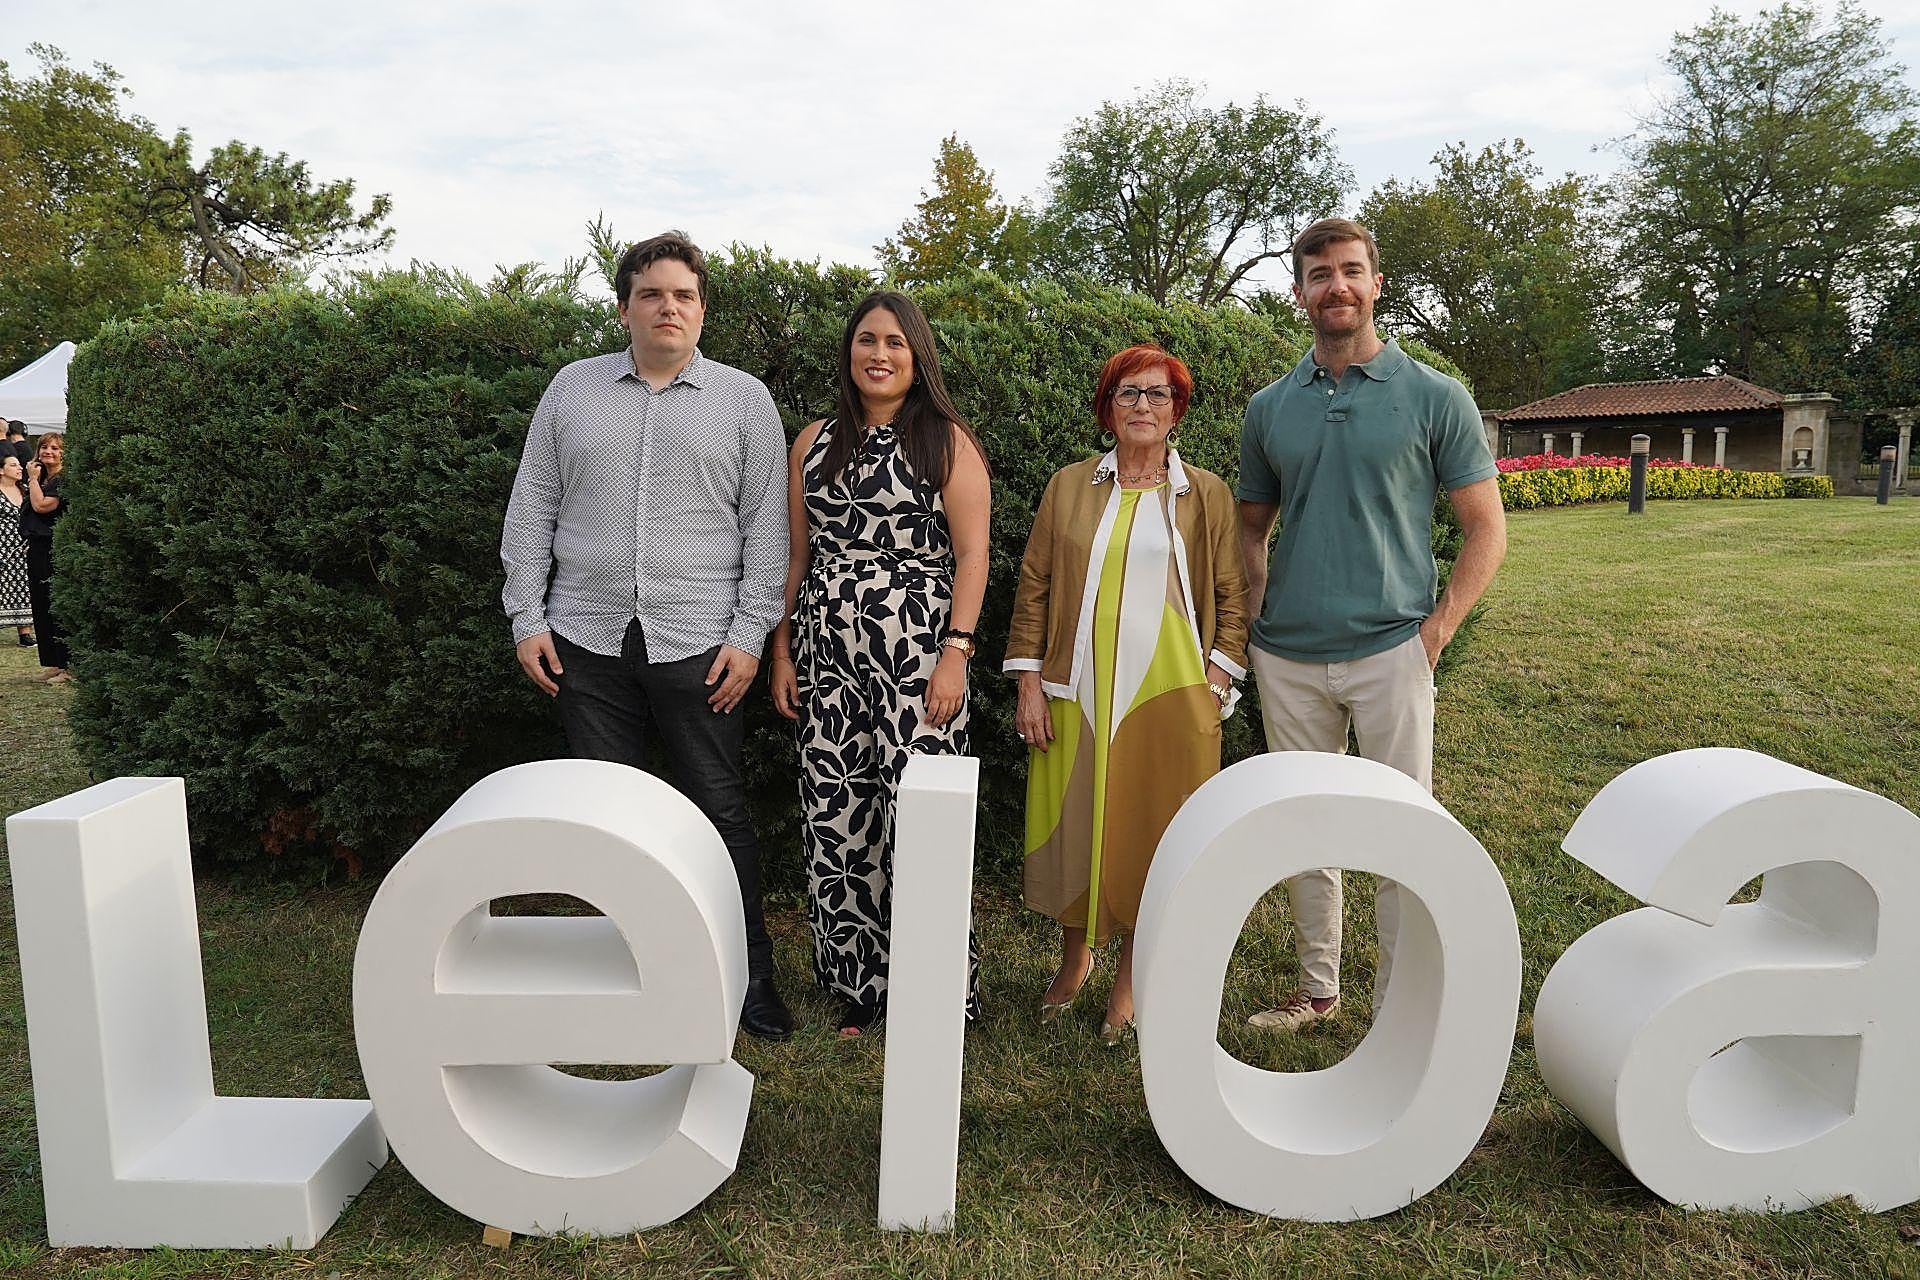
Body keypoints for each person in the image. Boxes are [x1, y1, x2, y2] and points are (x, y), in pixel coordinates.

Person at [500, 231, 796, 1040]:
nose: (670, 307)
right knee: (610, 821)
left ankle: (750, 978)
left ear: (703, 309)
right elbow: (532, 510)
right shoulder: (573, 390)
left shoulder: (743, 401)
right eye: (653, 294)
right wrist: (527, 617)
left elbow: (767, 532)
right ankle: (639, 972)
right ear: (625, 306)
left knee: (720, 814)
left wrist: (746, 635)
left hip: (703, 644)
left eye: (685, 296)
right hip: (585, 642)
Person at [1235, 217, 1506, 1031]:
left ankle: (1399, 1005)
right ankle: (1319, 990)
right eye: (1319, 275)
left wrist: (1436, 632)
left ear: (1377, 283)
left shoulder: (1434, 396)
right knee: (1306, 829)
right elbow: (1250, 527)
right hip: (1287, 657)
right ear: (1300, 294)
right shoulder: (1269, 408)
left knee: (1401, 833)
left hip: (1393, 650)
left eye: (1351, 270)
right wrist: (1255, 622)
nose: (1336, 287)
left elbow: (1486, 528)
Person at [1004, 345, 1249, 1045]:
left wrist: (1218, 682)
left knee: (1154, 828)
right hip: (1077, 691)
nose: (1144, 406)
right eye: (1128, 394)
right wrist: (1028, 681)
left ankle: (1130, 982)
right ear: (1106, 407)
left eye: (1159, 395)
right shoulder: (1069, 486)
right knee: (1076, 820)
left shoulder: (1205, 494)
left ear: (1179, 411)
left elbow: (1232, 593)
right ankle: (1073, 961)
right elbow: (1035, 584)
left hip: (1171, 697)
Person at [768, 291, 990, 1037]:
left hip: (917, 653)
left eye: (895, 341)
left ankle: (936, 989)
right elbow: (798, 555)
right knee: (840, 818)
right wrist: (782, 650)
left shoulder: (946, 441)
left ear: (916, 355)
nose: (879, 354)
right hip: (827, 651)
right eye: (867, 339)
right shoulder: (814, 442)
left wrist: (955, 655)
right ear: (849, 352)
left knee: (917, 818)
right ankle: (858, 990)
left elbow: (972, 555)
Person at [22, 432, 69, 682]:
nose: (48, 451)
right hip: (38, 548)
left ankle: (69, 664)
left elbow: (42, 506)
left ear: (63, 452)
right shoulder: (43, 478)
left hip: (56, 548)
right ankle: (55, 662)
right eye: (44, 447)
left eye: (54, 448)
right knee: (42, 605)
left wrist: (31, 479)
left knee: (56, 603)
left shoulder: (61, 480)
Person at [0, 453, 35, 646]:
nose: (19, 468)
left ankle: (25, 633)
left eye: (19, 465)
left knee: (23, 587)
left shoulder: (26, 490)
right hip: (2, 548)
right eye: (13, 465)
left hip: (23, 548)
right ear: (1, 470)